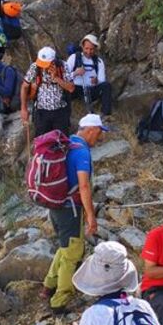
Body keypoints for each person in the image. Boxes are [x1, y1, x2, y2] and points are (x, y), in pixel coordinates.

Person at [40, 114, 107, 312]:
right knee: (73, 254)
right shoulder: (81, 153)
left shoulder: (66, 144)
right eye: (100, 133)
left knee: (64, 247)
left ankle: (48, 286)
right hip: (70, 209)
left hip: (55, 205)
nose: (100, 138)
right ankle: (59, 301)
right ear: (91, 130)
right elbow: (84, 186)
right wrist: (91, 216)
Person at [21, 46, 76, 137]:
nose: (42, 67)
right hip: (42, 112)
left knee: (62, 142)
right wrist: (24, 108)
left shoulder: (63, 66)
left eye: (45, 64)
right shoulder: (35, 67)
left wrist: (56, 78)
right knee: (42, 143)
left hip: (60, 111)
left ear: (53, 61)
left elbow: (71, 88)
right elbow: (24, 86)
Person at [66, 34, 112, 118]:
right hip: (75, 88)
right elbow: (64, 77)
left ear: (95, 49)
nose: (89, 52)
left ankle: (106, 114)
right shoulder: (74, 58)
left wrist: (97, 80)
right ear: (82, 47)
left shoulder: (99, 61)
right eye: (86, 48)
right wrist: (75, 73)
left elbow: (102, 80)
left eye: (91, 49)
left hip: (91, 89)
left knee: (106, 86)